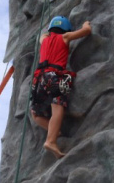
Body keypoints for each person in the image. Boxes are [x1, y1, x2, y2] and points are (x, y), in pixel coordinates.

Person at [30, 16, 92, 158]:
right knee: (57, 106)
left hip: (39, 78)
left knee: (36, 113)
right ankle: (51, 141)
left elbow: (42, 35)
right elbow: (86, 31)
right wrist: (85, 23)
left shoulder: (44, 40)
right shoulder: (65, 37)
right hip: (54, 75)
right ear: (65, 29)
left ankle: (54, 130)